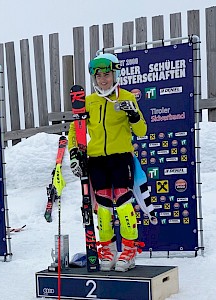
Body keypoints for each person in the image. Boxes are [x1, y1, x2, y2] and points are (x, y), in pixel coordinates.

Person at [68, 53, 147, 272]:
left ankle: (129, 251)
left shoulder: (127, 97)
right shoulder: (89, 102)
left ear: (116, 74)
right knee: (102, 207)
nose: (103, 79)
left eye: (107, 74)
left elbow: (141, 130)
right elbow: (76, 128)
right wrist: (74, 152)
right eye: (99, 75)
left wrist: (133, 116)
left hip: (121, 158)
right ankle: (108, 250)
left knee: (122, 203)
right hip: (97, 160)